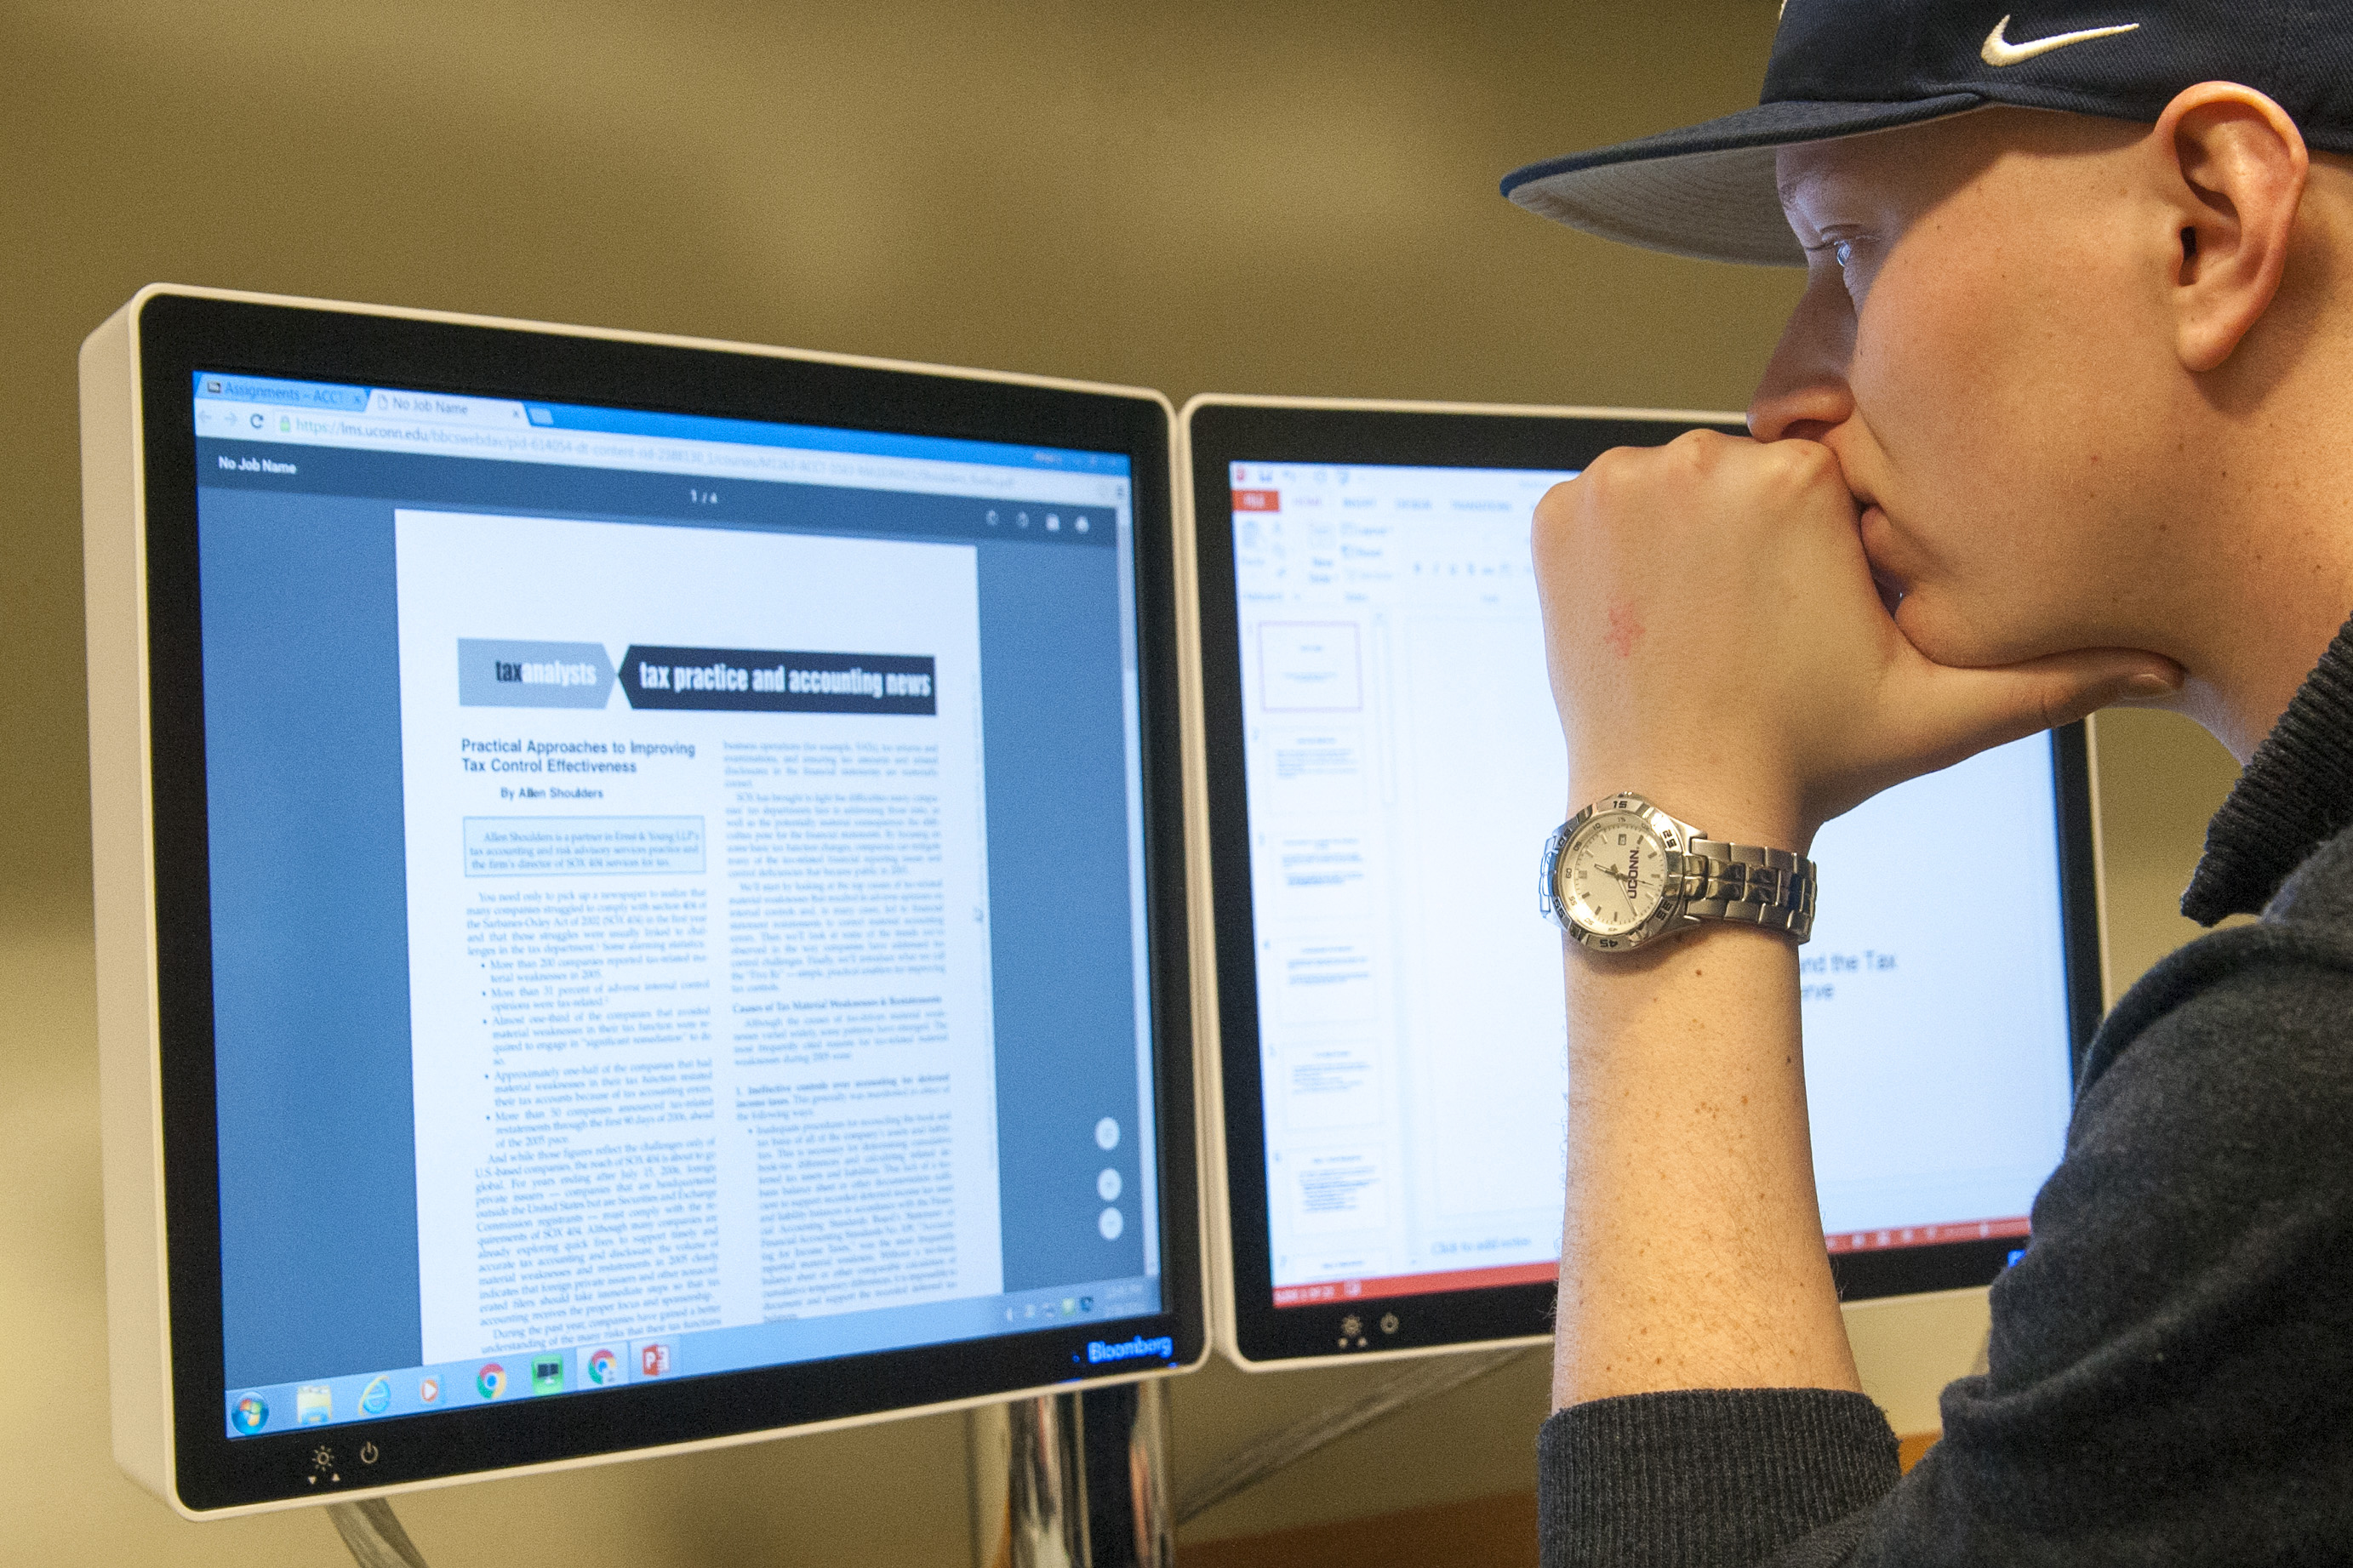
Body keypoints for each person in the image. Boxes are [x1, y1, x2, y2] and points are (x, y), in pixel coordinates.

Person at [1501, 3, 2353, 1562]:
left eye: (1843, 253)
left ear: (2208, 227)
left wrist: (1672, 809)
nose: (1780, 400)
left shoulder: (2311, 1049)